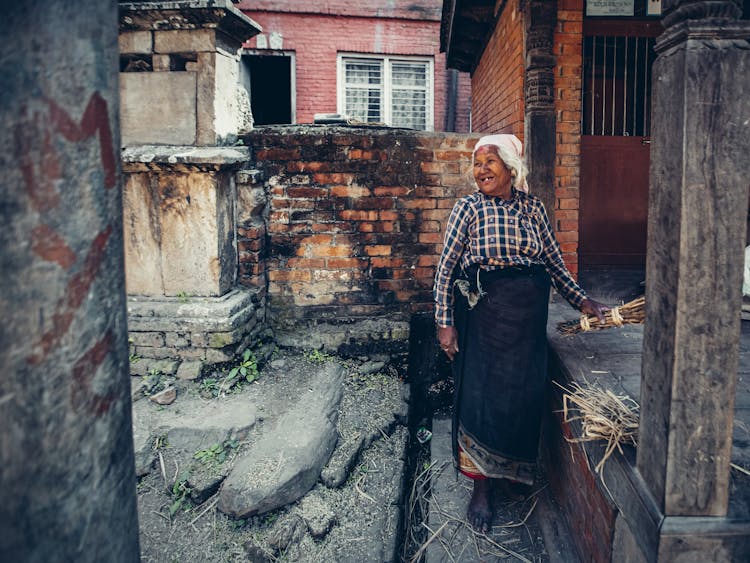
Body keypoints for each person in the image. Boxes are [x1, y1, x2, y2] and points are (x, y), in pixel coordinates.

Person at [433, 134, 608, 532]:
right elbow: (446, 268)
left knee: (521, 399)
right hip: (485, 320)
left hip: (527, 322)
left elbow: (553, 262)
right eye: (477, 164)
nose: (481, 170)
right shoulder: (469, 209)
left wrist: (583, 301)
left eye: (489, 162)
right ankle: (481, 488)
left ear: (511, 167)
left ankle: (510, 473)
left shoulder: (532, 210)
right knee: (482, 402)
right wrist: (445, 323)